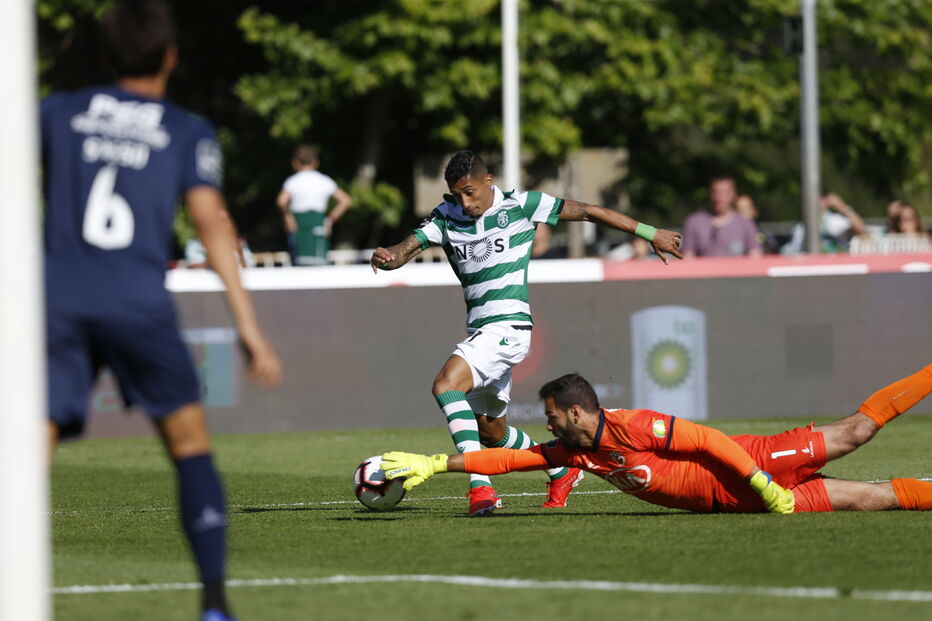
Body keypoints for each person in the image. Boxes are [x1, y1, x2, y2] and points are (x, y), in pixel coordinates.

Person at [41, 2, 282, 620]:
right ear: (171, 57)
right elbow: (212, 224)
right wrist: (247, 326)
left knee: (29, 452)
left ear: (103, 55)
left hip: (58, 302)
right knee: (189, 447)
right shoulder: (186, 129)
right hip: (138, 304)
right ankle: (213, 603)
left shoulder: (59, 112)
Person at [369, 150, 683, 516]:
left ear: (489, 181)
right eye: (457, 195)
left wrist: (650, 232)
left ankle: (481, 488)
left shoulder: (522, 205)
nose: (464, 202)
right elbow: (405, 249)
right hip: (481, 331)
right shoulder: (446, 216)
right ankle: (561, 470)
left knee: (445, 385)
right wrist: (387, 256)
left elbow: (588, 211)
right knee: (492, 433)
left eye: (470, 192)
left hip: (508, 326)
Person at [383, 364, 932, 515]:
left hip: (756, 464)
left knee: (858, 431)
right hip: (742, 502)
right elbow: (507, 460)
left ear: (576, 411)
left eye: (551, 415)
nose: (545, 424)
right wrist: (437, 464)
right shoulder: (575, 449)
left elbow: (710, 442)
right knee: (870, 497)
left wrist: (763, 482)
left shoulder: (634, 425)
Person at [277, 144, 352, 266]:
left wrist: (288, 217)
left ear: (295, 163)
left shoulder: (292, 181)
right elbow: (345, 200)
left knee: (299, 265)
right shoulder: (324, 180)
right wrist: (330, 219)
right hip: (319, 225)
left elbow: (281, 201)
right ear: (316, 162)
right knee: (318, 265)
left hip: (298, 226)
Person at [680, 177, 762, 258]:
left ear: (733, 194)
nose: (718, 197)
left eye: (724, 192)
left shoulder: (746, 224)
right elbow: (687, 257)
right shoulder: (693, 222)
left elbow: (755, 256)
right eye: (715, 192)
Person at [781, 192, 868, 254]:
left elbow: (862, 230)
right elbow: (794, 252)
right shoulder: (800, 228)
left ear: (825, 201)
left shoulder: (835, 221)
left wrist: (842, 207)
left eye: (817, 199)